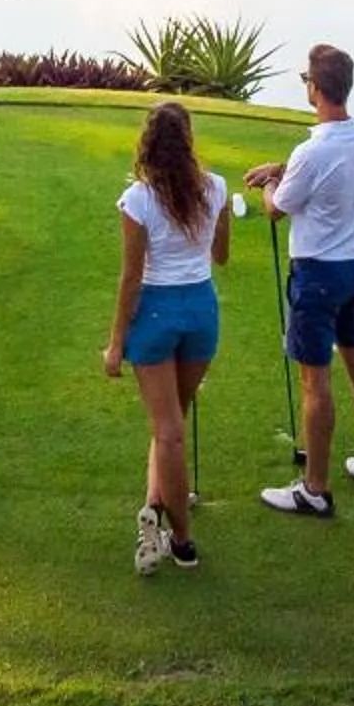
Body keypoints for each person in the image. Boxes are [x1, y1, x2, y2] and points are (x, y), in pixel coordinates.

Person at [245, 41, 354, 518]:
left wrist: (271, 184)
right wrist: (282, 170)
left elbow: (276, 209)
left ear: (316, 88)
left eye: (306, 80)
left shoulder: (312, 150)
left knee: (314, 381)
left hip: (317, 275)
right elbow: (328, 176)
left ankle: (316, 488)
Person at [102, 100, 230, 576]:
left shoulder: (138, 199)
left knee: (168, 431)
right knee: (171, 424)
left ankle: (182, 540)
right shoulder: (214, 188)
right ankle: (153, 509)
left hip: (156, 313)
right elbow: (221, 256)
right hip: (200, 312)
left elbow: (131, 278)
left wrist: (117, 343)